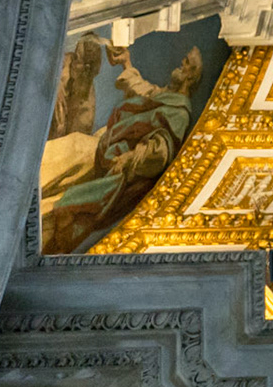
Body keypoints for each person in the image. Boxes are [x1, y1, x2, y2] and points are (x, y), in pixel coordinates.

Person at [41, 46, 204, 253]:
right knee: (56, 178)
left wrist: (128, 158)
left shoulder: (179, 113)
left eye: (187, 62)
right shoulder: (166, 98)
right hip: (103, 147)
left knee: (61, 161)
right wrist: (125, 62)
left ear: (191, 76)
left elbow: (160, 152)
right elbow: (142, 89)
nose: (181, 63)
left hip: (103, 156)